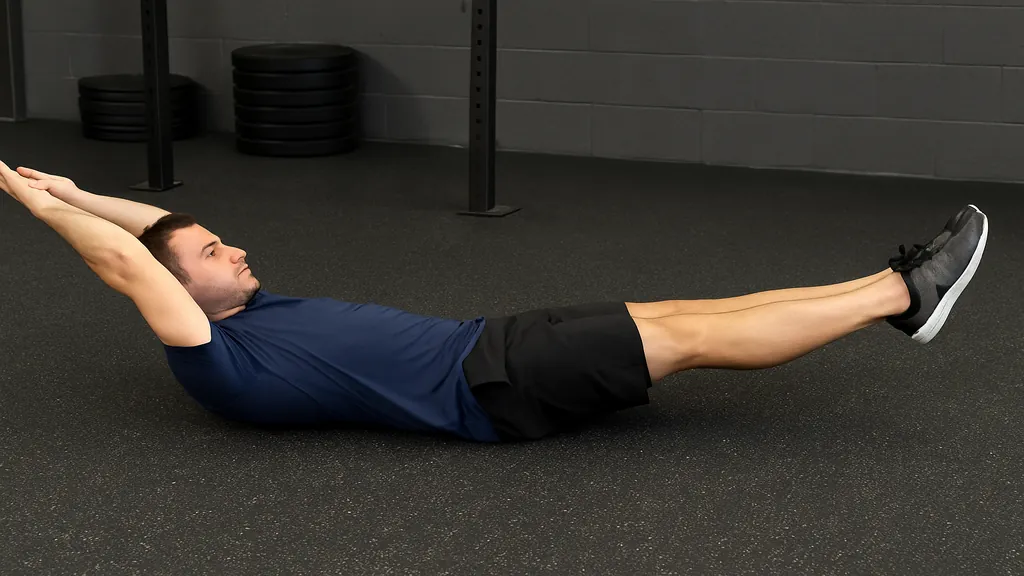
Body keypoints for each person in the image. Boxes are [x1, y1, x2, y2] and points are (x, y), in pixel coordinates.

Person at [0, 162, 989, 442]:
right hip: (491, 389)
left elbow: (148, 242)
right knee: (689, 338)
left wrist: (76, 193)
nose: (237, 245)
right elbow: (135, 268)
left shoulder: (242, 311)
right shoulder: (216, 358)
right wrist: (27, 202)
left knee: (691, 310)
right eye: (216, 251)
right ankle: (900, 292)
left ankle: (886, 288)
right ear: (185, 299)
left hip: (490, 341)